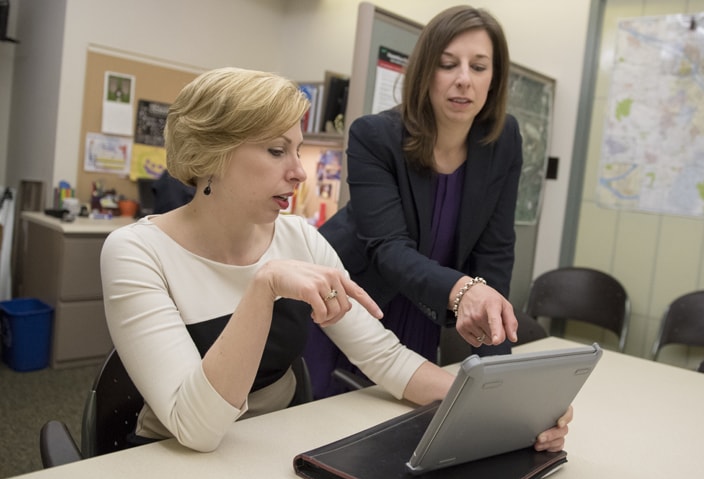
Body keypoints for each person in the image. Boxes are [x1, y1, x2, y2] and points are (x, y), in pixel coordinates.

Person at [99, 66, 572, 453]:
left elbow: (383, 356)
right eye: (275, 150)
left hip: (275, 448)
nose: (298, 172)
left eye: (298, 150)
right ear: (210, 154)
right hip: (174, 458)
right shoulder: (137, 253)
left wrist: (504, 412)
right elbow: (196, 429)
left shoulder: (299, 237)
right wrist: (263, 289)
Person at [308, 5, 523, 398]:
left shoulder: (502, 139)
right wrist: (462, 291)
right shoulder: (375, 136)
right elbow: (388, 249)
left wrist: (500, 382)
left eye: (478, 67)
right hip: (351, 307)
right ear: (426, 71)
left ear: (494, 78)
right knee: (335, 428)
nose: (463, 80)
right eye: (447, 64)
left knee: (403, 433)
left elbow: (496, 251)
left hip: (425, 305)